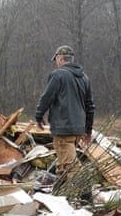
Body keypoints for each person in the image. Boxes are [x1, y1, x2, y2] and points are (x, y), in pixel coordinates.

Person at [35, 45, 95, 180]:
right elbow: (90, 106)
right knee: (63, 165)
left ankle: (85, 196)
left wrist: (39, 116)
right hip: (78, 129)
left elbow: (47, 97)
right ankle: (59, 197)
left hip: (63, 128)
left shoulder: (58, 75)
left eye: (56, 59)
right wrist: (88, 130)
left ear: (60, 58)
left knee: (70, 166)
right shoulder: (84, 78)